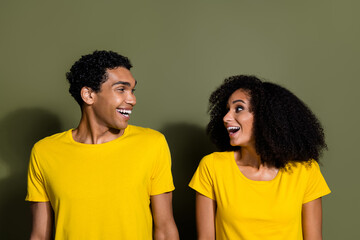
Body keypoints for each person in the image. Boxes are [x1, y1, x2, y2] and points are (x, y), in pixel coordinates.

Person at [26, 50, 179, 240]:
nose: (132, 99)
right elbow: (40, 235)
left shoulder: (152, 144)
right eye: (121, 89)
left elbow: (165, 229)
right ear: (88, 94)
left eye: (132, 90)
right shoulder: (44, 152)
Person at [189, 75, 331, 240]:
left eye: (239, 108)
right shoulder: (212, 167)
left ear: (267, 117)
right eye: (227, 109)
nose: (226, 118)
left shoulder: (306, 171)